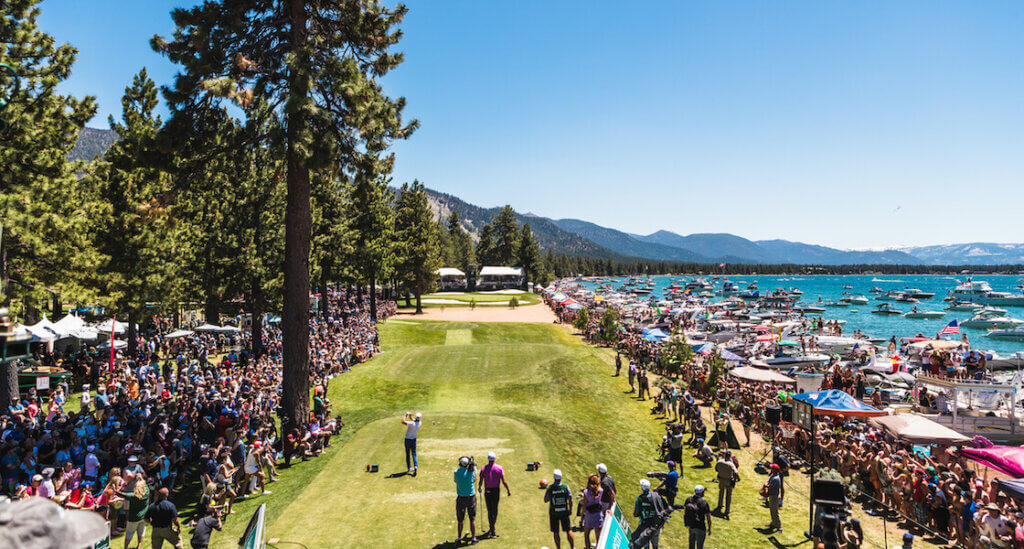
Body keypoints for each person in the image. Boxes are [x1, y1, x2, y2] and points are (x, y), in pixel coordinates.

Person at [478, 451, 511, 539]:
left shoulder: (484, 468)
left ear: (488, 459)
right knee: (494, 509)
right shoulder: (499, 468)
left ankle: (492, 528)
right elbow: (504, 481)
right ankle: (492, 529)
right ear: (494, 459)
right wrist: (508, 490)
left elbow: (481, 480)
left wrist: (480, 487)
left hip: (487, 491)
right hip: (496, 490)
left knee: (490, 510)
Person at [544, 469, 575, 549]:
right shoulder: (565, 487)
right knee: (568, 530)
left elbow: (545, 500)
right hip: (564, 512)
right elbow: (570, 499)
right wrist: (570, 509)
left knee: (556, 532)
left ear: (554, 477)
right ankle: (572, 547)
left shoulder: (550, 488)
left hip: (554, 513)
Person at [633, 478, 666, 549]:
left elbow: (636, 514)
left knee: (645, 545)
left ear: (642, 488)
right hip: (655, 526)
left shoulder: (639, 499)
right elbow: (662, 509)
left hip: (645, 526)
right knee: (655, 545)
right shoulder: (657, 496)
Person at [119, 474, 150, 549]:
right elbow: (145, 485)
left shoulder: (132, 496)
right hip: (144, 517)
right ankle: (139, 546)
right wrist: (140, 478)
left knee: (129, 533)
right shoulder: (146, 493)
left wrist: (117, 488)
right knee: (141, 532)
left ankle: (125, 547)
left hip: (133, 519)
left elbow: (121, 494)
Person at [453, 457, 478, 544]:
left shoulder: (456, 472)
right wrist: (474, 466)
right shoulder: (471, 473)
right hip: (471, 497)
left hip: (461, 497)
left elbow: (456, 481)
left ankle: (459, 538)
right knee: (472, 518)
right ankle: (473, 538)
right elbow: (475, 479)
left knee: (460, 519)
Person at [683, 485, 711, 549]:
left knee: (691, 544)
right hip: (700, 526)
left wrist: (686, 522)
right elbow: (708, 518)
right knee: (700, 545)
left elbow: (685, 512)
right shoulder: (704, 503)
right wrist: (709, 528)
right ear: (701, 493)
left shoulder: (688, 499)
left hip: (691, 525)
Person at [582, 474, 605, 549]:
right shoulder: (601, 491)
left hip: (589, 516)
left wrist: (582, 515)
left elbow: (584, 505)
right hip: (598, 515)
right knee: (598, 537)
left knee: (586, 535)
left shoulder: (586, 492)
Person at [714, 451, 739, 518]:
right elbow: (736, 472)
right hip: (728, 481)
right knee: (728, 496)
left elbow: (716, 469)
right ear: (730, 456)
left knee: (721, 492)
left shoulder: (719, 461)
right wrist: (738, 478)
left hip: (721, 479)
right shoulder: (731, 464)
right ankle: (727, 510)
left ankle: (719, 505)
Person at [766, 464, 783, 533]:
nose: (771, 469)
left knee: (775, 512)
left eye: (772, 468)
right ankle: (773, 523)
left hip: (774, 497)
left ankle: (779, 528)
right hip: (771, 495)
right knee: (772, 510)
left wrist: (765, 485)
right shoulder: (772, 475)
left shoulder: (776, 479)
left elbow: (770, 487)